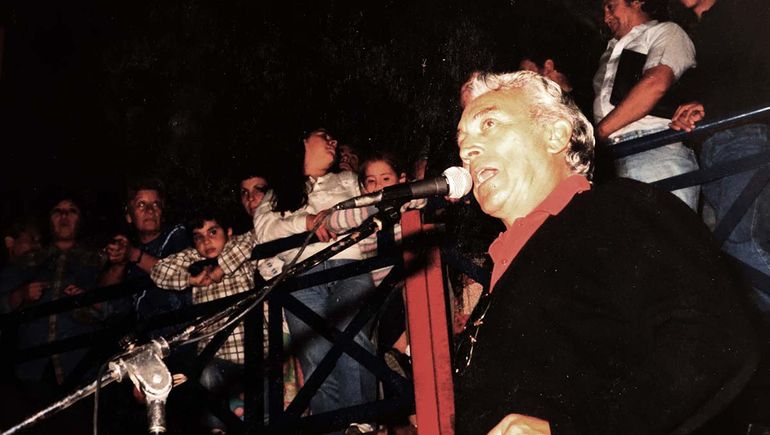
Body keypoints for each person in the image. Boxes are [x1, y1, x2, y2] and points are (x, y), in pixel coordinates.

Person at [454, 70, 758, 434]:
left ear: (556, 134)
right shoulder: (498, 280)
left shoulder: (618, 210)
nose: (466, 150)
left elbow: (711, 343)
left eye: (488, 123)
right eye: (462, 141)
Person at [251, 128, 376, 434]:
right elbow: (264, 231)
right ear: (303, 142)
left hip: (348, 265)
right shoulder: (276, 194)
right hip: (302, 276)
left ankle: (361, 421)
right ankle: (331, 428)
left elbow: (366, 213)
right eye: (325, 136)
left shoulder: (347, 180)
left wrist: (331, 219)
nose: (333, 141)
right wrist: (306, 222)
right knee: (314, 352)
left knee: (350, 328)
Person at [669, 0, 770, 315]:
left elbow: (751, 71)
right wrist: (692, 109)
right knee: (737, 252)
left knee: (741, 245)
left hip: (746, 135)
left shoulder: (745, 10)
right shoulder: (698, 34)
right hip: (714, 149)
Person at [151, 211, 257, 431]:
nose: (206, 241)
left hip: (253, 354)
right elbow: (158, 271)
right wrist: (191, 279)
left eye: (213, 231)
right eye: (199, 236)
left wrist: (220, 269)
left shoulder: (236, 247)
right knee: (205, 376)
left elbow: (252, 237)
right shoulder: (194, 258)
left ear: (228, 231)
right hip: (217, 361)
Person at [593, 0, 699, 209]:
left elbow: (655, 83)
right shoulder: (611, 50)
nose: (606, 17)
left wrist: (599, 133)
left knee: (666, 236)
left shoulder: (665, 31)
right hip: (615, 158)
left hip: (653, 149)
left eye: (610, 6)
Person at [7, 195, 103, 386]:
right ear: (49, 219)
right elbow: (4, 300)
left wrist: (89, 300)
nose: (64, 216)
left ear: (81, 219)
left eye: (72, 211)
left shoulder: (99, 261)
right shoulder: (28, 260)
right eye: (57, 211)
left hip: (81, 368)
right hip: (30, 371)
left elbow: (115, 307)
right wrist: (22, 294)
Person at [98, 178, 190, 330]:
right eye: (141, 204)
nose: (150, 210)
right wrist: (119, 263)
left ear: (162, 212)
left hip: (186, 337)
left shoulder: (178, 235)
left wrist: (133, 254)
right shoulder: (128, 251)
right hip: (150, 342)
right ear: (129, 216)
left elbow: (178, 274)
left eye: (156, 204)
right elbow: (103, 300)